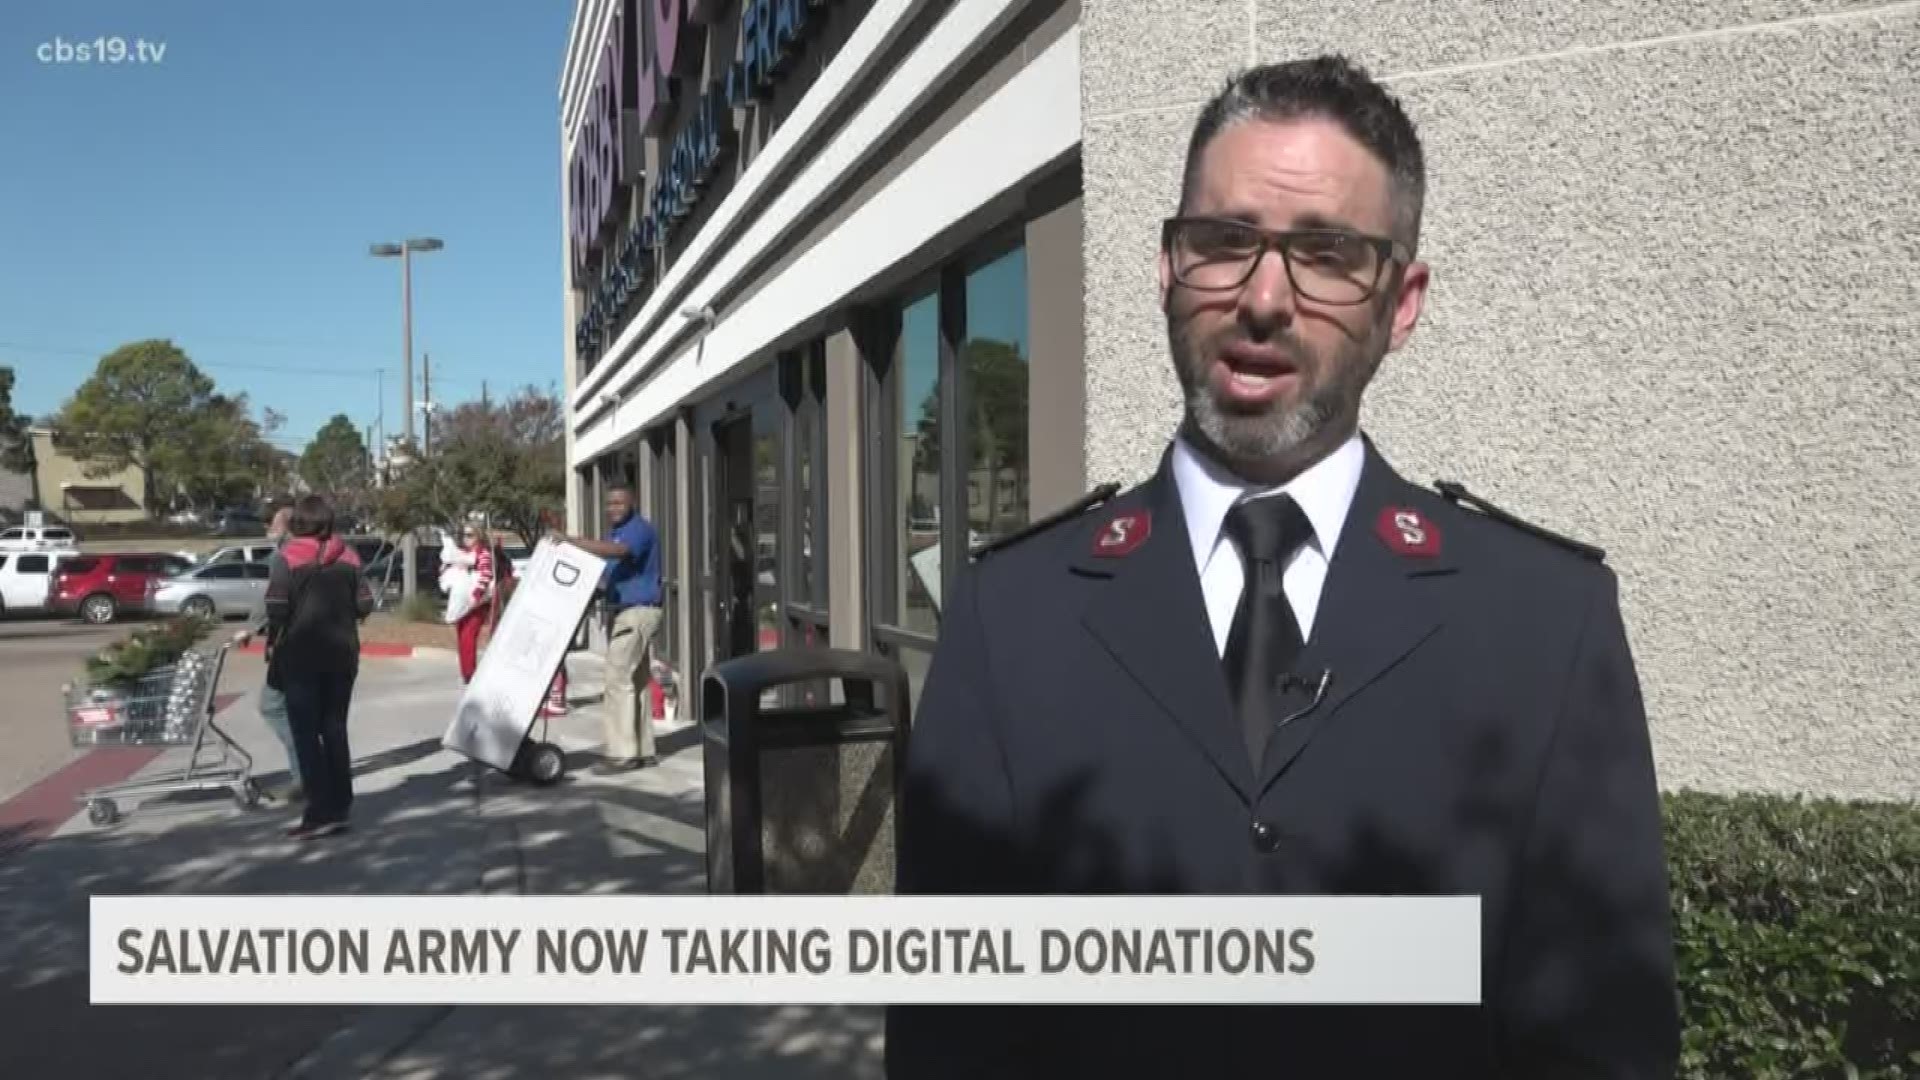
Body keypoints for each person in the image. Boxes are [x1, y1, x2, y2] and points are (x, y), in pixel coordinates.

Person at [885, 56, 1679, 1078]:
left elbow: (1602, 1038)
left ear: (1402, 302)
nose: (1265, 298)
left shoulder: (1544, 622)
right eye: (1225, 242)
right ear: (1167, 271)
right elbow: (950, 1030)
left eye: (1329, 254)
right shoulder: (1010, 614)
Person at [263, 495, 375, 840]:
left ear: (298, 522)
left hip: (301, 657)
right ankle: (340, 806)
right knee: (335, 730)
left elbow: (277, 609)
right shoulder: (351, 555)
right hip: (343, 656)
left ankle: (319, 812)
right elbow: (366, 604)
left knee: (306, 735)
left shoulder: (287, 558)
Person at [549, 485, 660, 773]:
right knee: (635, 682)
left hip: (636, 613)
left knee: (617, 680)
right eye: (609, 504)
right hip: (629, 612)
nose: (613, 508)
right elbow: (607, 571)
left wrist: (570, 541)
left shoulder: (637, 530)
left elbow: (619, 552)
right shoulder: (617, 532)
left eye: (619, 503)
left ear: (632, 502)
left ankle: (621, 754)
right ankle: (642, 749)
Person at [236, 505, 302, 803]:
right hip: (323, 644)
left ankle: (305, 773)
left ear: (286, 528)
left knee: (273, 706)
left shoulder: (283, 557)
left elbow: (274, 600)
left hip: (291, 645)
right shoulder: (322, 553)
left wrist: (250, 629)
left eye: (273, 523)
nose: (268, 528)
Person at [449, 524, 495, 684]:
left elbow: (486, 574)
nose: (466, 539)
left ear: (479, 536)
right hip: (462, 602)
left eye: (470, 535)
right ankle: (466, 672)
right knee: (461, 635)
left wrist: (476, 595)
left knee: (468, 635)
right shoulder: (464, 554)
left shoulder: (483, 554)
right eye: (464, 535)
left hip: (478, 603)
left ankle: (470, 673)